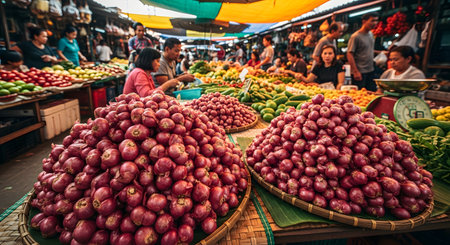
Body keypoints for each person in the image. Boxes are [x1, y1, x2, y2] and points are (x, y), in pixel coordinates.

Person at [347, 13, 379, 91]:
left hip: (370, 70)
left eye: (376, 20)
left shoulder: (371, 35)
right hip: (360, 72)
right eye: (372, 21)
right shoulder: (356, 36)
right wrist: (355, 71)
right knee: (360, 95)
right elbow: (349, 53)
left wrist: (381, 53)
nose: (375, 23)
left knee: (371, 93)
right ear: (364, 21)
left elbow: (368, 50)